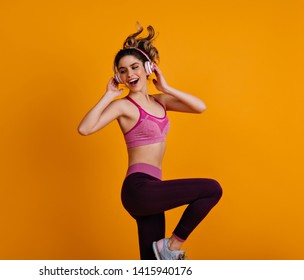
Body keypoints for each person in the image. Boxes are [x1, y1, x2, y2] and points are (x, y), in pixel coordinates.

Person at [78, 24, 222, 260]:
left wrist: (165, 87)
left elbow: (200, 107)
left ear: (147, 68)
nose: (129, 74)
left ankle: (164, 252)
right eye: (122, 71)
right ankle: (172, 247)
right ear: (118, 76)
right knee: (211, 189)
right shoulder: (123, 105)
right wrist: (108, 95)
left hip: (154, 187)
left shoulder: (161, 101)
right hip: (139, 189)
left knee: (152, 265)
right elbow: (84, 129)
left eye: (134, 67)